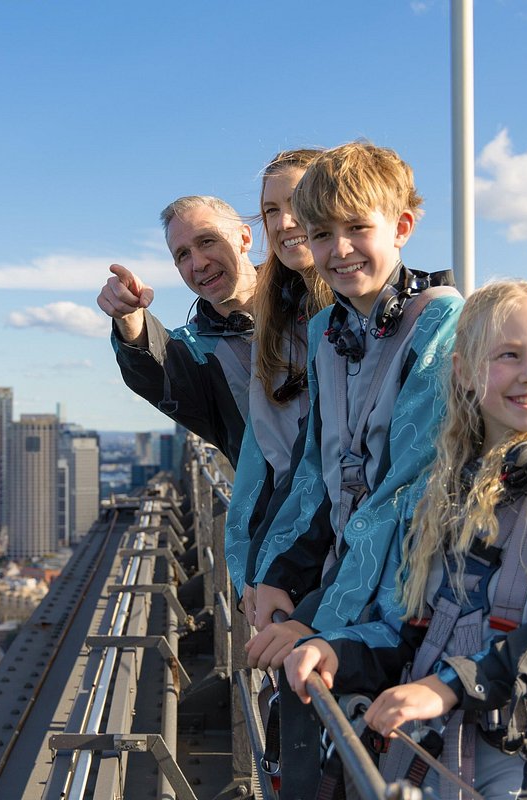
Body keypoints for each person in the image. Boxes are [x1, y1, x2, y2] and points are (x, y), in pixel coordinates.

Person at [284, 279, 527, 798]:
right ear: (465, 373)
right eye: (508, 355)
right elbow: (407, 627)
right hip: (432, 751)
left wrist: (448, 687)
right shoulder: (437, 490)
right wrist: (335, 650)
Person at [246, 141, 462, 670]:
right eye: (322, 234)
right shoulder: (328, 331)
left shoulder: (439, 322)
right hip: (351, 590)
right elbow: (317, 470)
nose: (340, 250)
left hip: (416, 602)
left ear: (402, 227)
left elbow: (402, 489)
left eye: (357, 228)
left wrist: (318, 618)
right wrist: (280, 575)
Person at [223, 149, 334, 622]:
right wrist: (254, 565)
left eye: (298, 202)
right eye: (271, 209)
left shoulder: (367, 317)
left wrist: (269, 567)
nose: (285, 221)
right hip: (293, 553)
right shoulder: (280, 314)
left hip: (337, 556)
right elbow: (266, 459)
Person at [97, 196, 257, 465]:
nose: (198, 264)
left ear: (244, 238)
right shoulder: (195, 353)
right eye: (183, 255)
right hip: (278, 505)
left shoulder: (312, 300)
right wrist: (131, 316)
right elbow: (155, 366)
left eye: (207, 241)